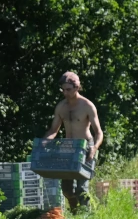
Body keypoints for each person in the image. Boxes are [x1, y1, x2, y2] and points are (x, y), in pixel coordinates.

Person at [44, 71, 103, 210]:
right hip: (67, 148)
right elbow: (53, 130)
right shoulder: (61, 107)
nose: (65, 93)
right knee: (66, 190)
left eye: (68, 90)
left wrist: (94, 148)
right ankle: (75, 213)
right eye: (63, 90)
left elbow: (99, 133)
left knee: (82, 189)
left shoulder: (87, 106)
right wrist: (44, 142)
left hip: (85, 147)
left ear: (77, 87)